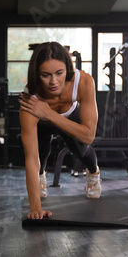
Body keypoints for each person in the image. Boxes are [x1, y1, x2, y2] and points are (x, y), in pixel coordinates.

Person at [19, 42, 101, 220]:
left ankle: (93, 172)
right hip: (42, 122)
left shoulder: (84, 81)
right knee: (40, 154)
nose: (53, 82)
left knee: (81, 149)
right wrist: (36, 208)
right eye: (45, 75)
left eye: (59, 73)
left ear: (68, 69)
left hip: (68, 117)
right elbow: (31, 159)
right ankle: (41, 178)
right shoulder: (30, 99)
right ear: (36, 74)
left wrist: (48, 112)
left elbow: (89, 135)